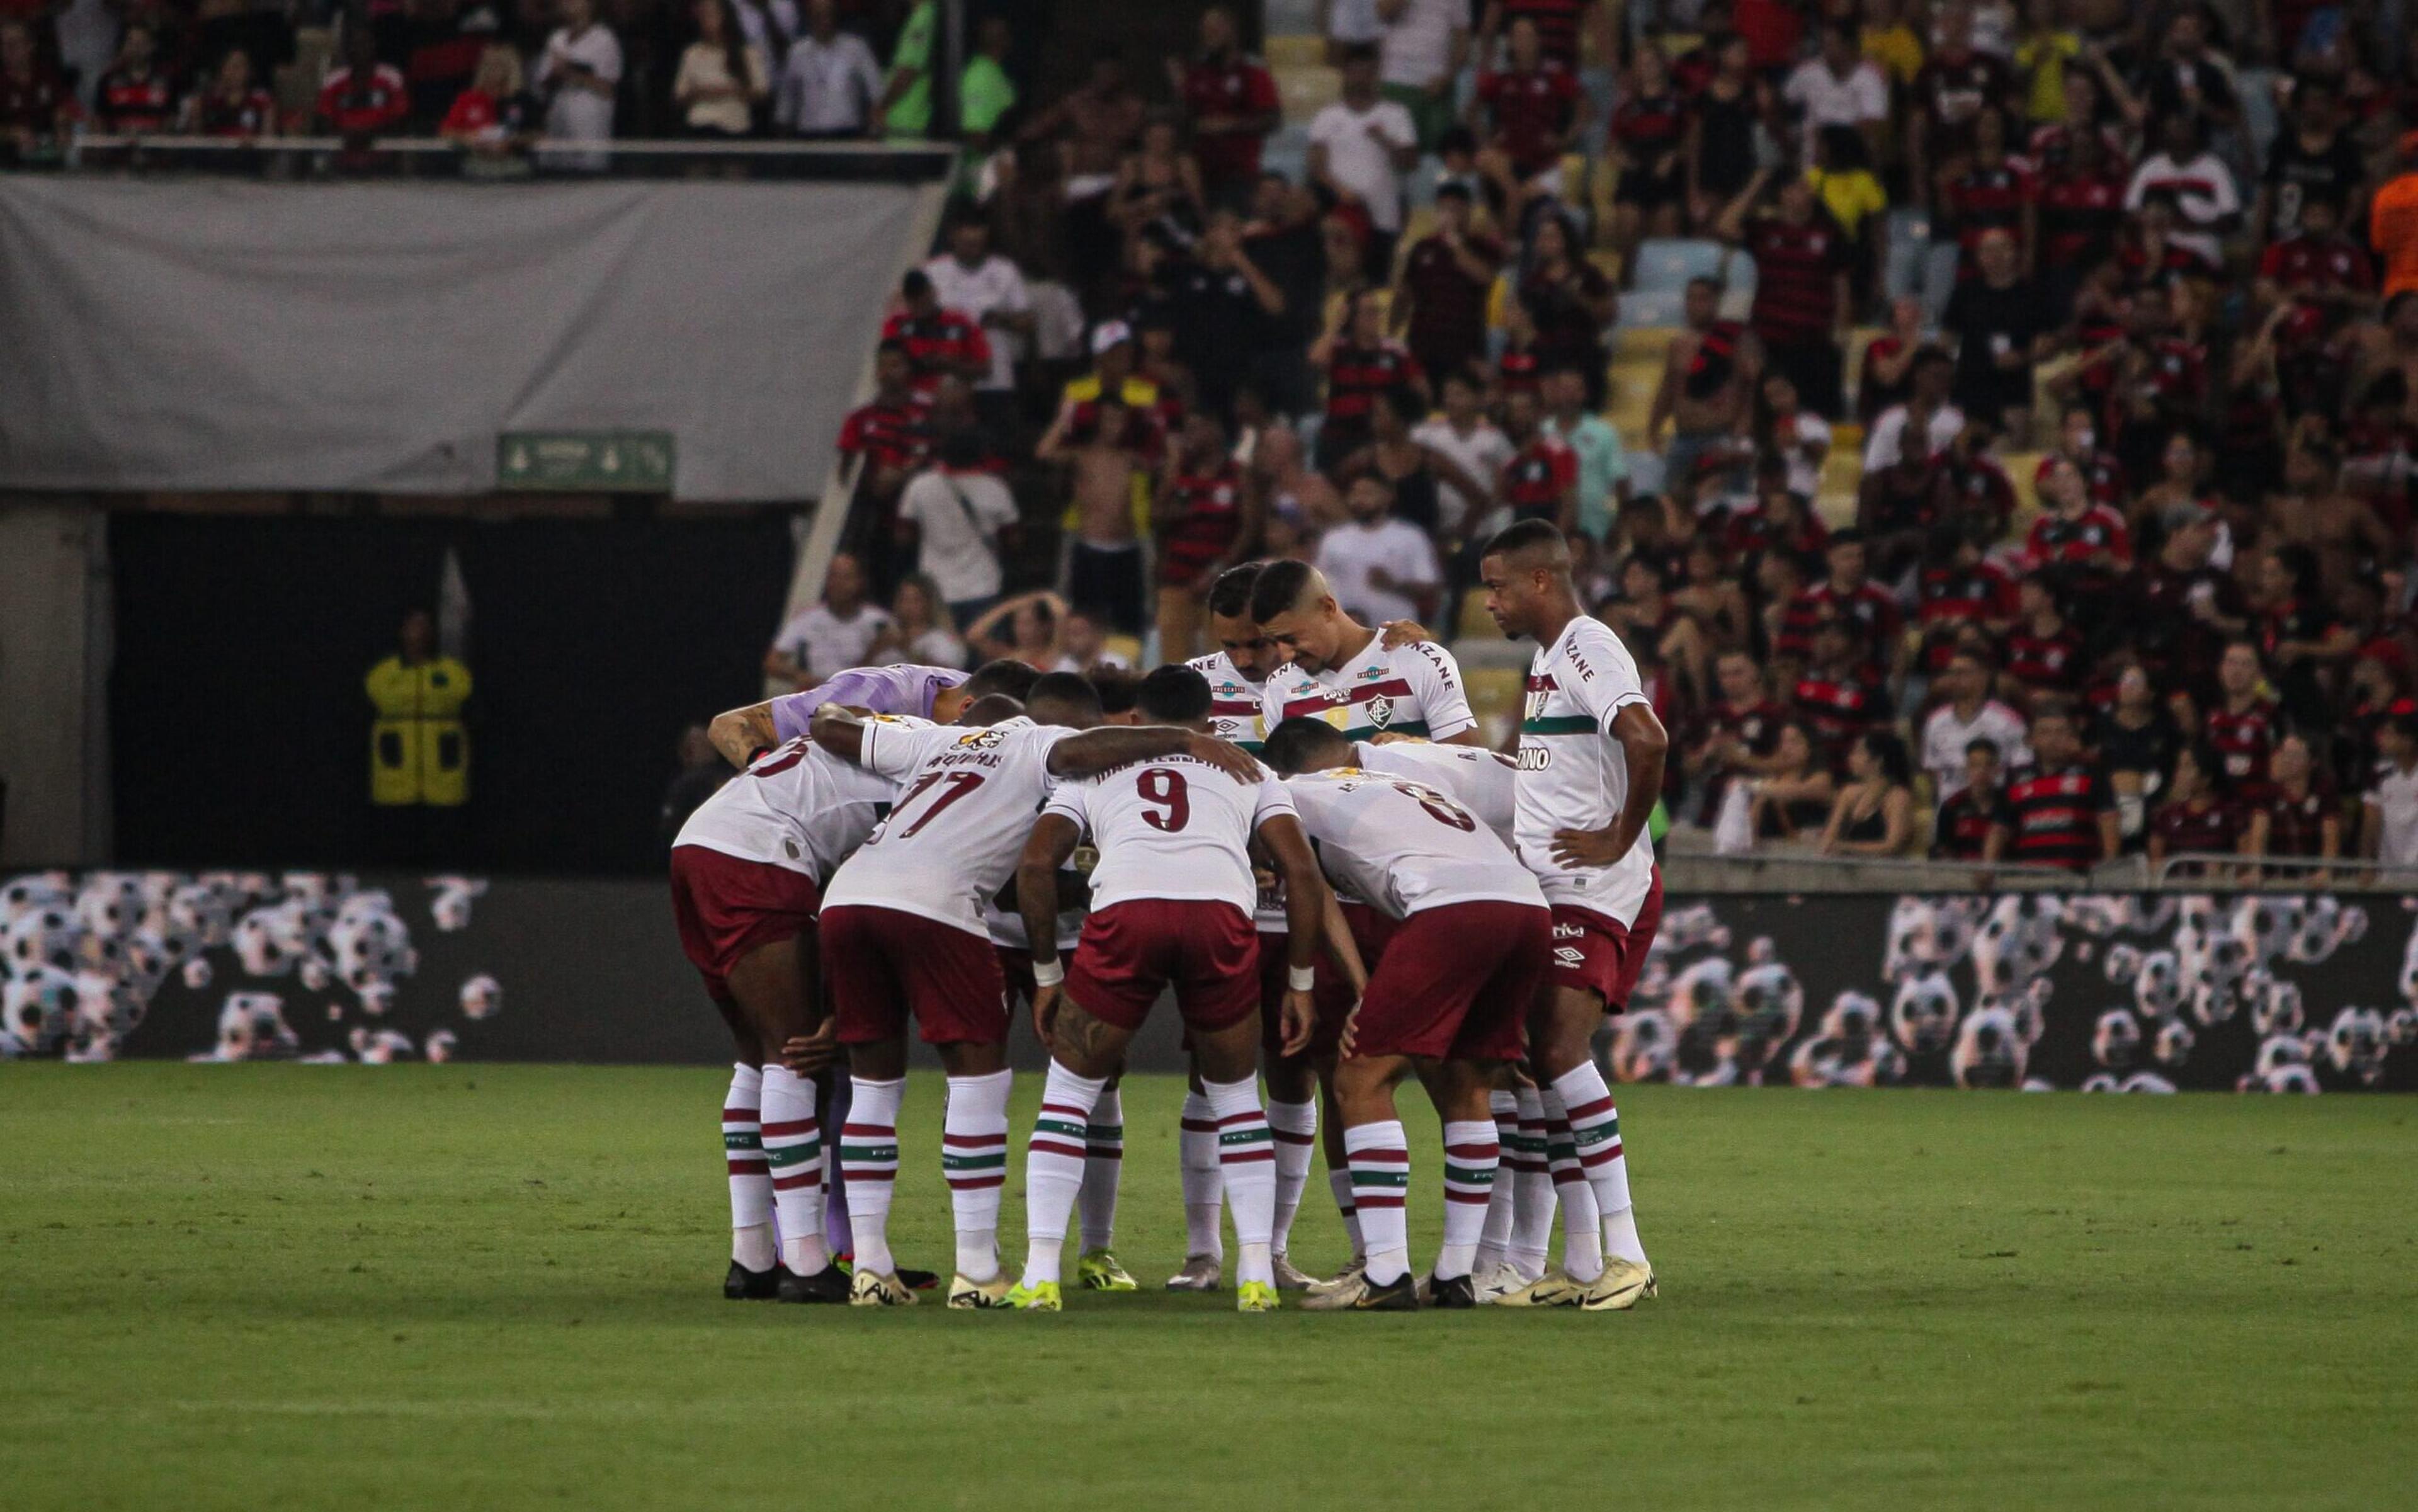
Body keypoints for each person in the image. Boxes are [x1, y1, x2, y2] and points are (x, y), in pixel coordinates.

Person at [807, 674, 1260, 1306]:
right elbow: (1075, 762)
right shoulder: (1045, 744)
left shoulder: (936, 741)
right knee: (980, 1082)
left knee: (875, 1085)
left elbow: (828, 727)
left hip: (849, 897)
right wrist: (1185, 738)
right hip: (941, 906)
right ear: (1078, 725)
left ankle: (871, 1267)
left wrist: (825, 703)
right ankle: (976, 1273)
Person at [1008, 666, 1337, 1313]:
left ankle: (1042, 1272)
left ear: (1134, 720)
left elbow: (1036, 864)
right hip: (1219, 916)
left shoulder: (1090, 770)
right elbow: (1300, 869)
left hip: (1127, 912)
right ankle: (1255, 1278)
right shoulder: (1250, 768)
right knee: (1237, 1099)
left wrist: (1047, 975)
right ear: (1211, 722)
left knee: (1068, 1094)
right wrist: (1300, 981)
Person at [1255, 716, 1547, 1310]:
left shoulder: (1287, 794)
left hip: (1450, 909)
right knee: (1468, 1083)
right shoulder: (1399, 784)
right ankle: (1454, 1275)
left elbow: (1306, 885)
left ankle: (1385, 1273)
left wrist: (1313, 984)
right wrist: (1370, 986)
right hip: (1526, 907)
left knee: (1359, 1077)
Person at [1472, 520, 1662, 1310]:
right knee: (1540, 1062)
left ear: (1541, 581)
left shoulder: (1588, 645)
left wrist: (1618, 838)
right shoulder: (1549, 660)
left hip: (1594, 885)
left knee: (1556, 1047)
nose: (1489, 602)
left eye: (1499, 586)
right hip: (1550, 884)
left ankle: (1628, 1252)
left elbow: (1646, 739)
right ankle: (1583, 1262)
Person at [666, 701, 909, 1304]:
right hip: (759, 854)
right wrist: (846, 1010)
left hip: (698, 843)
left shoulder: (866, 747)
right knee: (797, 1055)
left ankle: (751, 1255)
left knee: (756, 1055)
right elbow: (881, 902)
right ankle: (803, 1260)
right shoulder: (935, 774)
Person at [1252, 559, 1479, 746]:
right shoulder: (1279, 689)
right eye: (1274, 642)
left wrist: (1416, 751)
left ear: (1327, 609)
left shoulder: (1419, 659)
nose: (1285, 656)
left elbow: (1468, 762)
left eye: (1291, 639)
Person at [1036, 385, 1149, 637]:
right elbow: (1044, 452)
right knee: (1085, 619)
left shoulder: (1131, 458)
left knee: (1129, 624)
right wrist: (1065, 418)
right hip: (1091, 547)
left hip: (1126, 548)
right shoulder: (1083, 455)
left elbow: (1163, 462)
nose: (1114, 426)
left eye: (1120, 420)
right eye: (1109, 419)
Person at [364, 609, 472, 864]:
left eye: (424, 625)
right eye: (413, 625)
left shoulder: (451, 670)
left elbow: (457, 695)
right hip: (398, 772)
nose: (419, 631)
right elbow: (382, 697)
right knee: (397, 841)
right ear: (402, 631)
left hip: (442, 771)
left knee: (445, 841)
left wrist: (421, 699)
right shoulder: (385, 671)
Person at [1154, 412, 1260, 662]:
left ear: (1216, 431)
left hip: (1222, 585)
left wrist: (1218, 570)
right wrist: (1173, 512)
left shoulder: (1237, 474)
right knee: (1173, 661)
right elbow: (1155, 514)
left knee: (1224, 659)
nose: (1189, 436)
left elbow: (1250, 528)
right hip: (1177, 580)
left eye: (1196, 428)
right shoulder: (1179, 471)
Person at [1307, 45, 1419, 279]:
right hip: (1341, 212)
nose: (1360, 78)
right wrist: (1341, 191)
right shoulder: (1327, 116)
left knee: (1378, 284)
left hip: (1383, 216)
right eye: (1355, 72)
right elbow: (1316, 167)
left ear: (1375, 75)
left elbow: (1410, 162)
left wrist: (1385, 140)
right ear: (1345, 74)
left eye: (1367, 72)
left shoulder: (1396, 114)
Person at [894, 434, 1019, 628]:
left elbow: (903, 536)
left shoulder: (920, 486)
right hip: (983, 585)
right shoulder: (995, 488)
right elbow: (1013, 539)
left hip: (935, 587)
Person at [1390, 181, 1501, 389]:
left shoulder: (1482, 247)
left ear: (1468, 211)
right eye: (1444, 209)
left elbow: (1485, 278)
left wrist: (1455, 243)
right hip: (1423, 347)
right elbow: (1405, 294)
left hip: (1465, 350)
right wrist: (1391, 335)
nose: (1449, 215)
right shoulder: (1423, 247)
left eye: (1456, 209)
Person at [1169, 4, 1280, 200]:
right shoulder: (1197, 74)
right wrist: (1180, 89)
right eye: (1206, 30)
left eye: (1216, 29)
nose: (1210, 35)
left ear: (1231, 30)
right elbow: (1186, 122)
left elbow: (1272, 120)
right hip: (1201, 174)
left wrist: (1229, 124)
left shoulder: (1252, 71)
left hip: (1240, 176)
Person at [1993, 705, 2118, 870]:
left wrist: (2110, 866)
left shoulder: (2093, 774)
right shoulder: (2015, 778)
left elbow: (2108, 821)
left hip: (2079, 879)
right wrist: (1989, 867)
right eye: (2045, 733)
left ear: (2073, 738)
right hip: (2027, 879)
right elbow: (2000, 829)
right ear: (2031, 740)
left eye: (2060, 732)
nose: (2053, 739)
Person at [1314, 472, 1443, 629]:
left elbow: (1429, 586)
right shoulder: (1334, 538)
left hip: (1396, 630)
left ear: (1388, 496)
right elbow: (1318, 585)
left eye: (1368, 493)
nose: (1359, 499)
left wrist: (1394, 585)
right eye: (1355, 493)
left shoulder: (1410, 536)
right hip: (1346, 631)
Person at [764, 552, 892, 690]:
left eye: (846, 577)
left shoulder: (878, 621)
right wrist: (799, 676)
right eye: (834, 576)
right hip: (818, 698)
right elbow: (772, 662)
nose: (838, 584)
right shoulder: (807, 619)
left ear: (859, 581)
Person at [1919, 649, 2029, 804]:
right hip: (1950, 809)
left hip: (1995, 808)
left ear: (1983, 677)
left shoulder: (2008, 721)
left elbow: (2022, 768)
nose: (1954, 679)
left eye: (1962, 673)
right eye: (1951, 673)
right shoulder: (1935, 721)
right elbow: (1932, 769)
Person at [533, 0, 622, 169]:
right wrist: (555, 73)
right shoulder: (556, 38)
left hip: (590, 114)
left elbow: (608, 88)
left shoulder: (604, 39)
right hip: (559, 114)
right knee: (555, 170)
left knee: (589, 170)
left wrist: (570, 71)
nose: (568, 4)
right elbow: (542, 83)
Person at [773, 0, 881, 137]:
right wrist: (782, 131)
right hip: (809, 133)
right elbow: (787, 98)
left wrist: (874, 131)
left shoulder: (856, 48)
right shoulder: (797, 52)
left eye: (827, 15)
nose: (823, 21)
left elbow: (876, 91)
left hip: (848, 133)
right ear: (810, 18)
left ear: (835, 17)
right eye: (817, 15)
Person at [2245, 732, 2339, 880]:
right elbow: (2258, 835)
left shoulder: (2324, 792)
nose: (2287, 760)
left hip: (2313, 879)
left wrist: (2326, 871)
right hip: (2275, 878)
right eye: (2284, 753)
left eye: (2295, 755)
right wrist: (2255, 870)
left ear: (2313, 762)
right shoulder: (2268, 793)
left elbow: (2331, 837)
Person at [2145, 741, 2242, 878]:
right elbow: (2155, 862)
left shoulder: (2231, 812)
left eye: (2187, 767)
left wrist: (2225, 871)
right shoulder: (2166, 815)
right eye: (2179, 767)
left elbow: (2244, 861)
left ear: (2206, 777)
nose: (2179, 774)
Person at [673, 0, 768, 138]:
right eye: (703, 15)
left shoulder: (747, 54)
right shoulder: (692, 53)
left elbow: (761, 92)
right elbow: (679, 95)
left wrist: (731, 90)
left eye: (711, 14)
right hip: (701, 125)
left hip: (735, 126)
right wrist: (701, 92)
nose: (706, 20)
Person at [1819, 730, 1917, 855]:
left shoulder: (1898, 797)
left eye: (1858, 752)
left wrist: (1848, 847)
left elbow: (1893, 845)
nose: (1851, 757)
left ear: (1878, 760)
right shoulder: (1849, 794)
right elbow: (1829, 837)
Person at [1932, 737, 2012, 860]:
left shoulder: (2009, 803)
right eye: (1975, 765)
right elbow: (1944, 849)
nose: (1981, 771)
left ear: (1997, 769)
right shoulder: (1951, 806)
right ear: (1966, 769)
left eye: (1988, 765)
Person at [871, 574, 968, 669]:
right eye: (904, 599)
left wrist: (906, 648)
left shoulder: (943, 639)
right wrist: (875, 649)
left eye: (916, 600)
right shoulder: (888, 637)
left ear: (929, 603)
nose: (908, 606)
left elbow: (946, 675)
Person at [2360, 712, 2418, 869]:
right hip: (2390, 870)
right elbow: (2371, 821)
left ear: (2408, 741)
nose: (2382, 739)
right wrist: (2366, 862)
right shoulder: (2379, 774)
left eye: (2389, 734)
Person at [876, 0, 935, 139]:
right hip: (902, 123)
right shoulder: (920, 15)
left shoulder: (923, 17)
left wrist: (882, 107)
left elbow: (907, 72)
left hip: (907, 125)